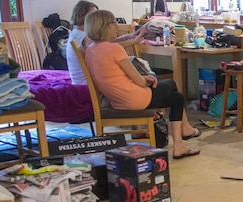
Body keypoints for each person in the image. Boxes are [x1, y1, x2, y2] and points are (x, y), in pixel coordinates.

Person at [83, 10, 201, 159]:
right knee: (175, 94)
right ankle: (180, 141)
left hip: (116, 101)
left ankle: (184, 134)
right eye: (114, 23)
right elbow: (139, 81)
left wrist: (143, 78)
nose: (116, 27)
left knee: (173, 93)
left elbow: (116, 76)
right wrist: (145, 78)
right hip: (133, 99)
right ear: (105, 26)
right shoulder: (114, 49)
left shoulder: (90, 50)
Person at [65, 0, 145, 84]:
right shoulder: (82, 36)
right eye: (93, 14)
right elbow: (106, 47)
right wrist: (134, 41)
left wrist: (127, 37)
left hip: (82, 81)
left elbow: (105, 44)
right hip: (85, 84)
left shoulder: (78, 32)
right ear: (82, 15)